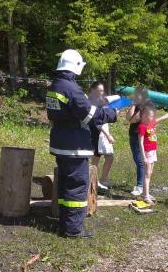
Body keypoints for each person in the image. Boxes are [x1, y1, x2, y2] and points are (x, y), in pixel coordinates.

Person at [46, 49, 117, 239]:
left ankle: (65, 223)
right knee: (77, 186)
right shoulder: (71, 88)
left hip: (61, 142)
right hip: (74, 146)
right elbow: (89, 114)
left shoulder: (56, 85)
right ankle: (73, 229)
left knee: (65, 184)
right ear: (76, 67)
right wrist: (112, 114)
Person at [137, 104, 168, 204]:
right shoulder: (142, 126)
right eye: (150, 116)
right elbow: (140, 142)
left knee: (149, 174)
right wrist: (144, 157)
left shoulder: (151, 124)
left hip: (153, 151)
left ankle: (146, 193)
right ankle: (145, 196)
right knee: (147, 174)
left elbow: (164, 118)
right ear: (143, 116)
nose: (152, 118)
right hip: (147, 152)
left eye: (153, 116)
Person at [87, 81, 115, 190]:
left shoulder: (102, 101)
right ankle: (93, 181)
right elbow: (96, 122)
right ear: (92, 90)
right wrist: (108, 135)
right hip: (97, 133)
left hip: (104, 133)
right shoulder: (90, 102)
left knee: (109, 156)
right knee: (96, 158)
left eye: (102, 91)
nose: (101, 93)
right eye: (99, 91)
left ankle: (103, 179)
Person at [125, 88, 151, 196]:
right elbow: (128, 118)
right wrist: (133, 104)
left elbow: (134, 119)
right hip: (133, 135)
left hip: (141, 137)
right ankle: (143, 183)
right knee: (137, 159)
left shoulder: (146, 107)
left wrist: (134, 113)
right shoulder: (135, 105)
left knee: (140, 160)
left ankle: (140, 186)